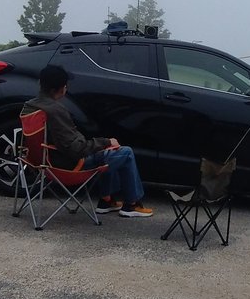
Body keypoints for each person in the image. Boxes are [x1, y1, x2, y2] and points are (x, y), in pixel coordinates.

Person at [21, 64, 154, 218]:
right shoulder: (55, 110)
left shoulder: (30, 106)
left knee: (106, 152)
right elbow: (76, 149)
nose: (66, 87)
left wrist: (102, 145)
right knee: (125, 152)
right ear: (58, 89)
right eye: (65, 85)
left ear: (41, 83)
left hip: (40, 162)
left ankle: (106, 201)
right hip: (67, 165)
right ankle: (132, 204)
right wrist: (105, 142)